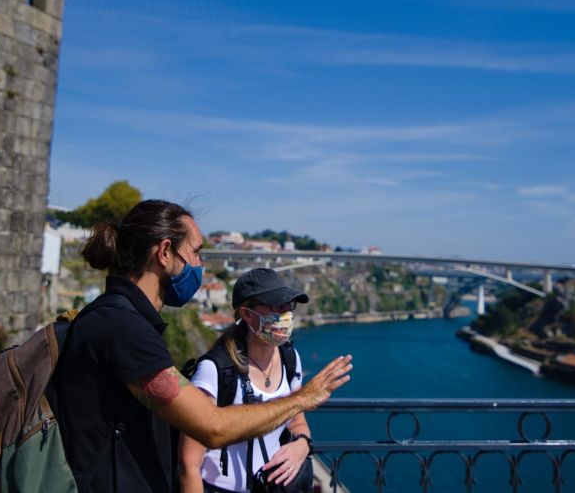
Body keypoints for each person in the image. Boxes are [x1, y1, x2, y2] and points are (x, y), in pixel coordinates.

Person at [51, 200, 352, 492]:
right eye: (196, 253)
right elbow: (213, 427)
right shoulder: (124, 329)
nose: (200, 266)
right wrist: (303, 398)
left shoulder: (119, 318)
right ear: (166, 252)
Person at [179, 268, 314, 493]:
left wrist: (302, 445)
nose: (285, 314)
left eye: (288, 305)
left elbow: (297, 422)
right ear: (247, 314)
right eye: (275, 306)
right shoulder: (216, 370)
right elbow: (189, 464)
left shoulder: (290, 359)